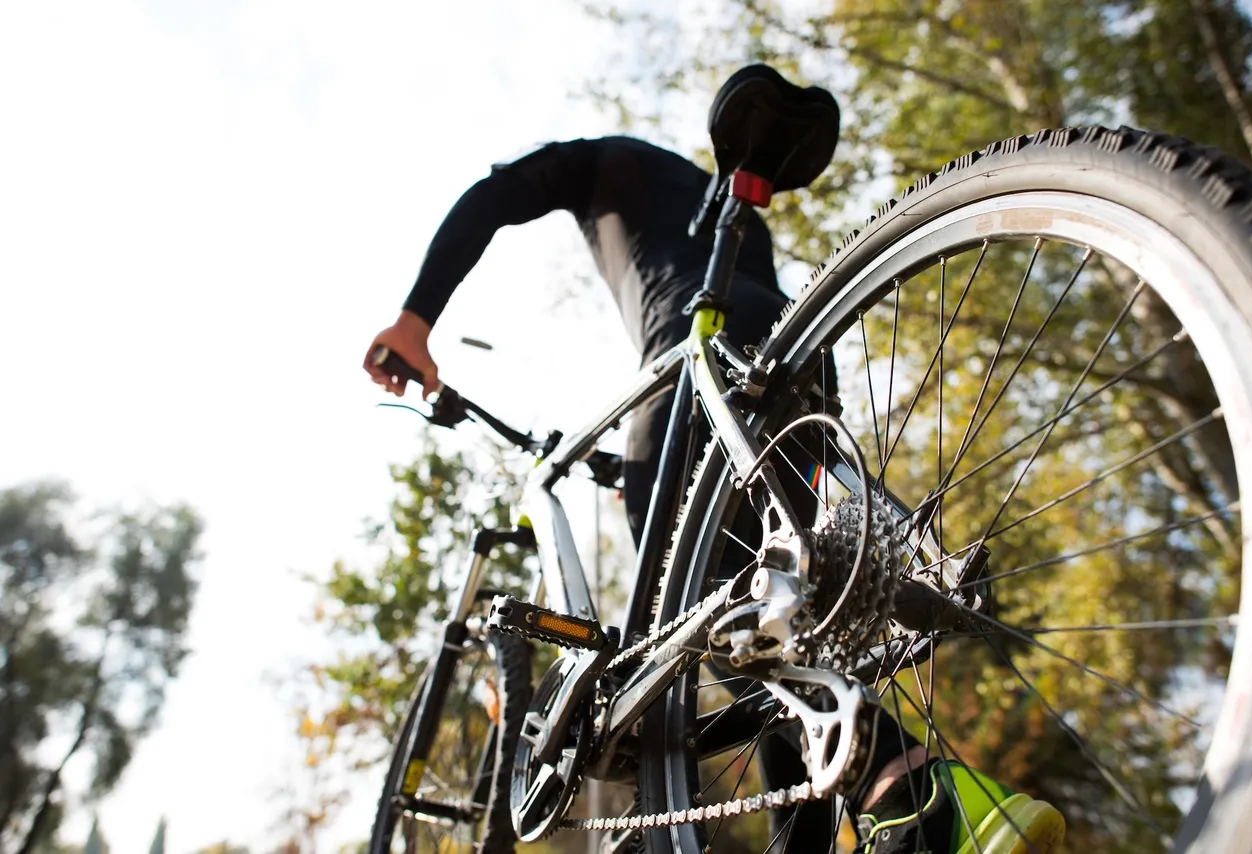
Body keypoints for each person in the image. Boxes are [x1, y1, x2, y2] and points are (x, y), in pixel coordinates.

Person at [363, 133, 1063, 852]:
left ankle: (905, 791)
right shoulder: (715, 202)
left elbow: (495, 196)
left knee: (718, 613)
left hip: (697, 345)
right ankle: (865, 822)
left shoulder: (607, 162)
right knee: (769, 618)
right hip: (796, 360)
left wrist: (415, 320)